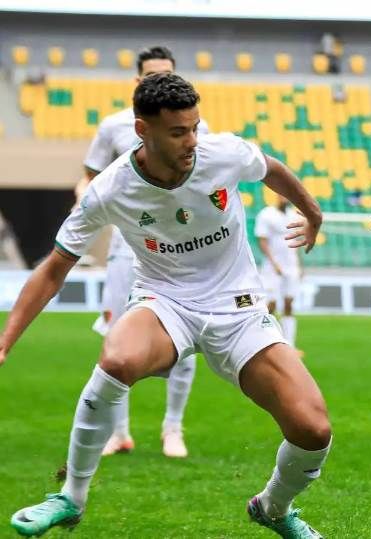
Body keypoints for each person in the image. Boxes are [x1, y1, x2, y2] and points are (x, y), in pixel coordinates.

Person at [4, 73, 330, 538]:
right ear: (143, 130)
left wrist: (313, 213)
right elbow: (54, 268)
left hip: (238, 307)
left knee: (313, 429)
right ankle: (70, 498)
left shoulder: (222, 153)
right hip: (165, 300)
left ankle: (273, 508)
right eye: (178, 132)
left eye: (194, 127)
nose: (192, 141)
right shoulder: (111, 188)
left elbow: (270, 168)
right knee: (117, 359)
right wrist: (5, 341)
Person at [81, 45, 209, 459]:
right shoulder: (113, 127)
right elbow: (89, 179)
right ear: (138, 80)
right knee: (117, 336)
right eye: (152, 74)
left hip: (179, 245)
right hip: (126, 246)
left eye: (167, 73)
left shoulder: (195, 127)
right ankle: (119, 432)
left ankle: (173, 428)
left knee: (186, 334)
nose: (160, 79)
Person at [255, 194, 303, 351]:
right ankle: (262, 342)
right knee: (270, 305)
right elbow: (262, 241)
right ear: (276, 196)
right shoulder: (266, 214)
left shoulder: (293, 215)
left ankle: (290, 345)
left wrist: (300, 266)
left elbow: (297, 242)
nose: (285, 199)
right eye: (282, 196)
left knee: (289, 304)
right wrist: (273, 263)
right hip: (272, 268)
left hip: (291, 266)